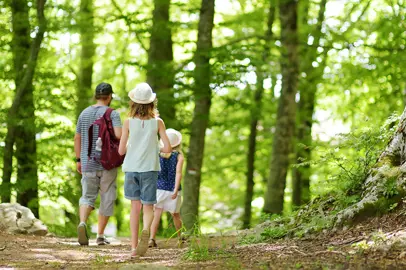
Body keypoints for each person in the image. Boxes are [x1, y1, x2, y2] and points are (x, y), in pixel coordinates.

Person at [118, 82, 171, 258]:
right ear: (151, 103)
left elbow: (121, 150)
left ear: (133, 103)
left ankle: (134, 248)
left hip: (132, 169)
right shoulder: (158, 123)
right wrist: (157, 148)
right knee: (148, 206)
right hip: (150, 169)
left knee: (135, 208)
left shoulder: (127, 122)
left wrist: (132, 146)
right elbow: (168, 148)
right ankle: (147, 230)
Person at [74, 82, 122, 246]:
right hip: (108, 163)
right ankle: (100, 235)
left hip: (88, 162)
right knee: (107, 196)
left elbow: (77, 138)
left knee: (87, 196)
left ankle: (82, 222)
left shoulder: (84, 113)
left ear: (96, 96)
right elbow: (119, 135)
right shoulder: (112, 113)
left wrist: (79, 159)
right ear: (109, 97)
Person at [148, 128, 184, 248]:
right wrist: (175, 188)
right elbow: (179, 173)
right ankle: (180, 238)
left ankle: (152, 239)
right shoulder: (179, 156)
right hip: (173, 189)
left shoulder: (157, 154)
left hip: (159, 188)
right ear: (178, 143)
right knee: (176, 215)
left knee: (156, 213)